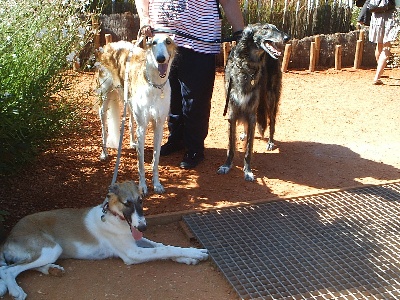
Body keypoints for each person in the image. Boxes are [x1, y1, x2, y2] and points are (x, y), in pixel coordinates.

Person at [134, 0, 244, 169]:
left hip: (200, 43)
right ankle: (176, 139)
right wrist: (144, 19)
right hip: (163, 43)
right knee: (171, 96)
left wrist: (239, 31)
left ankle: (194, 147)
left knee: (195, 98)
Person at [368, 0, 399, 85]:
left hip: (376, 17)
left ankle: (380, 70)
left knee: (379, 45)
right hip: (389, 16)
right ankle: (377, 76)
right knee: (387, 47)